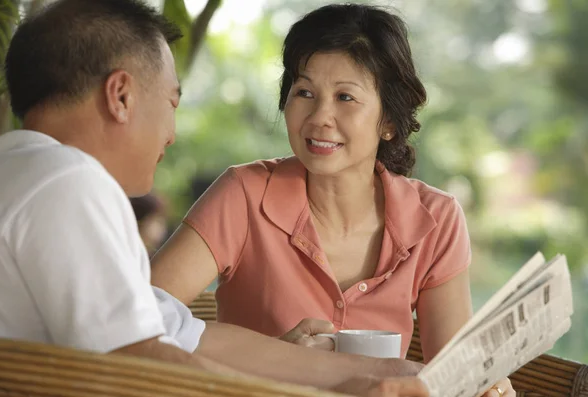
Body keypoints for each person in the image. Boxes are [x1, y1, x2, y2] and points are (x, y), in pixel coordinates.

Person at [0, 0, 429, 396]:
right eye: (171, 103)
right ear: (120, 96)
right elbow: (140, 363)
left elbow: (189, 335)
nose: (171, 134)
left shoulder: (12, 168)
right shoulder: (69, 184)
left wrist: (393, 373)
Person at [149, 4, 514, 397]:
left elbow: (451, 372)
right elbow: (135, 322)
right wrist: (275, 360)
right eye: (304, 92)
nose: (320, 116)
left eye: (345, 97)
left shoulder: (436, 220)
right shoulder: (243, 194)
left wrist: (484, 386)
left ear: (389, 120)